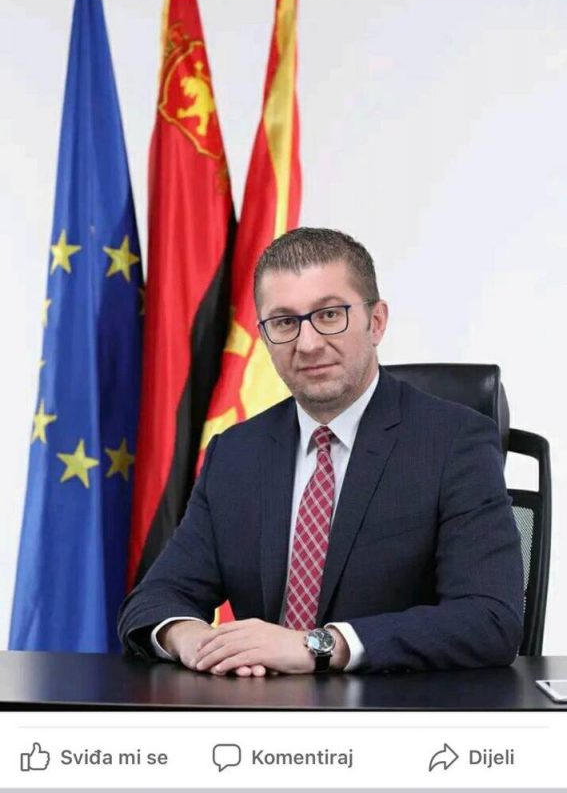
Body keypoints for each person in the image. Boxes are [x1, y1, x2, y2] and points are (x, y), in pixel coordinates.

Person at [119, 228, 524, 676]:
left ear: (376, 322)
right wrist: (194, 641)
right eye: (284, 322)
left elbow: (490, 619)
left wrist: (319, 646)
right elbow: (154, 599)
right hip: (260, 706)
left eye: (330, 315)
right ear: (264, 336)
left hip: (393, 705)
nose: (308, 344)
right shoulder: (236, 453)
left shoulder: (454, 442)